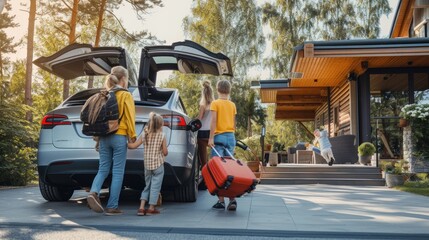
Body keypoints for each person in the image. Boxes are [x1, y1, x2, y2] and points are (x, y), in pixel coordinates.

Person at [86, 66, 136, 216]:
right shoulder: (125, 95)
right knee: (118, 172)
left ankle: (94, 192)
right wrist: (132, 135)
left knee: (103, 169)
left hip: (103, 137)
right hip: (119, 136)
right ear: (123, 79)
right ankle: (112, 206)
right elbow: (129, 116)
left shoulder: (104, 94)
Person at [128, 112, 168, 216]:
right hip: (158, 165)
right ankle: (151, 208)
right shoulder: (162, 135)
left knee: (147, 186)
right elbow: (165, 152)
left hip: (147, 165)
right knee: (155, 187)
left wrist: (125, 142)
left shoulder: (144, 134)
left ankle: (141, 208)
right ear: (160, 125)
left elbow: (133, 146)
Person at [208, 80, 237, 211]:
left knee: (218, 169)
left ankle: (221, 201)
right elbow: (234, 124)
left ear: (217, 89)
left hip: (219, 137)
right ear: (229, 90)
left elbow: (213, 121)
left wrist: (211, 137)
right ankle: (232, 199)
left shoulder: (215, 103)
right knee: (230, 169)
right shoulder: (232, 105)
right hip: (231, 137)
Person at [197, 80, 214, 169]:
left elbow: (199, 119)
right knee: (214, 153)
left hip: (202, 133)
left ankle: (205, 171)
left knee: (203, 157)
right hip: (211, 132)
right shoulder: (215, 104)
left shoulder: (203, 105)